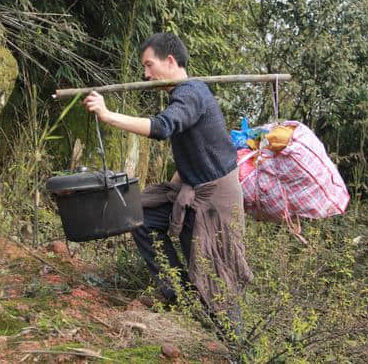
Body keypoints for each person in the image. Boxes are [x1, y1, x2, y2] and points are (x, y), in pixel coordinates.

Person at [84, 32, 253, 328]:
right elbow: (194, 149)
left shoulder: (190, 92)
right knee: (142, 216)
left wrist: (107, 115)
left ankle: (237, 348)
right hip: (193, 187)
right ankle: (177, 292)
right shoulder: (185, 94)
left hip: (215, 201)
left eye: (149, 65)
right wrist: (176, 186)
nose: (146, 74)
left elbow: (162, 127)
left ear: (170, 61)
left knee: (216, 274)